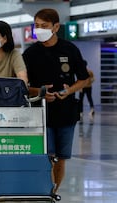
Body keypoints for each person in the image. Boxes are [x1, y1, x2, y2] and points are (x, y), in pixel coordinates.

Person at [22, 8, 89, 193]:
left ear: (56, 27)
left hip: (66, 113)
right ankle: (46, 192)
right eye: (37, 26)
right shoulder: (30, 54)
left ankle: (53, 193)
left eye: (44, 26)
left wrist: (70, 91)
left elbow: (84, 78)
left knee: (61, 158)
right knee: (47, 156)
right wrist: (40, 91)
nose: (39, 29)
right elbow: (22, 85)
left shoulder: (70, 49)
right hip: (41, 114)